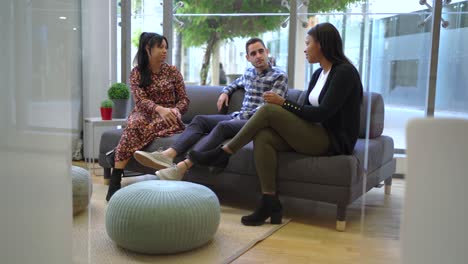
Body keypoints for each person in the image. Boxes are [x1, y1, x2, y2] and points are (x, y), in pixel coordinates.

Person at [189, 22, 364, 226]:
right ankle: (270, 202)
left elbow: (320, 114)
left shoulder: (344, 73)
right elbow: (307, 111)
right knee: (263, 136)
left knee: (268, 109)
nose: (305, 49)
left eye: (308, 43)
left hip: (332, 141)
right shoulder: (318, 74)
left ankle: (224, 153)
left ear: (322, 45)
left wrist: (283, 103)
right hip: (314, 133)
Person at [133, 38, 288, 181]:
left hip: (256, 121)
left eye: (261, 51)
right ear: (248, 58)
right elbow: (235, 84)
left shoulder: (279, 76)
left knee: (223, 127)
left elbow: (270, 108)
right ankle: (168, 154)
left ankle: (182, 167)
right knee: (200, 120)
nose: (258, 56)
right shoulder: (248, 73)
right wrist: (225, 92)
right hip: (239, 116)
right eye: (253, 53)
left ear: (267, 52)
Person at [106, 32, 190, 201]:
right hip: (144, 112)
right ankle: (115, 179)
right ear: (148, 49)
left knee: (153, 125)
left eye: (166, 47)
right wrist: (158, 109)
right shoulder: (137, 72)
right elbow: (140, 100)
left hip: (169, 116)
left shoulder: (173, 72)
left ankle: (117, 155)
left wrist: (176, 110)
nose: (164, 51)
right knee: (135, 125)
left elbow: (184, 99)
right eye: (160, 47)